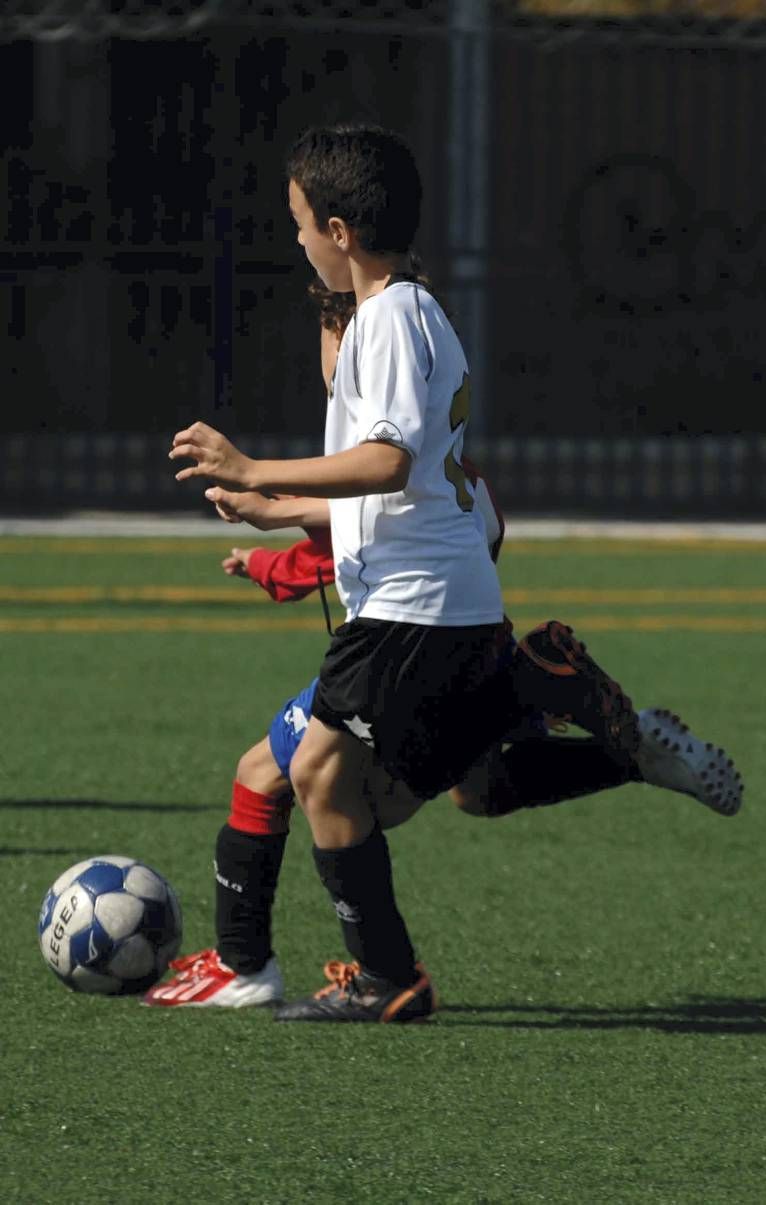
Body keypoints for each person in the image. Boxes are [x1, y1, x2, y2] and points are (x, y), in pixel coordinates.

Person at [162, 125, 661, 1023]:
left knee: (324, 779)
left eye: (301, 222)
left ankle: (386, 975)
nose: (299, 240)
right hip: (428, 609)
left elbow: (388, 461)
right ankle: (524, 691)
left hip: (409, 614)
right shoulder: (401, 312)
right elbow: (402, 484)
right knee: (339, 782)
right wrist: (277, 514)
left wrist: (254, 470)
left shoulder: (392, 316)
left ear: (341, 228)